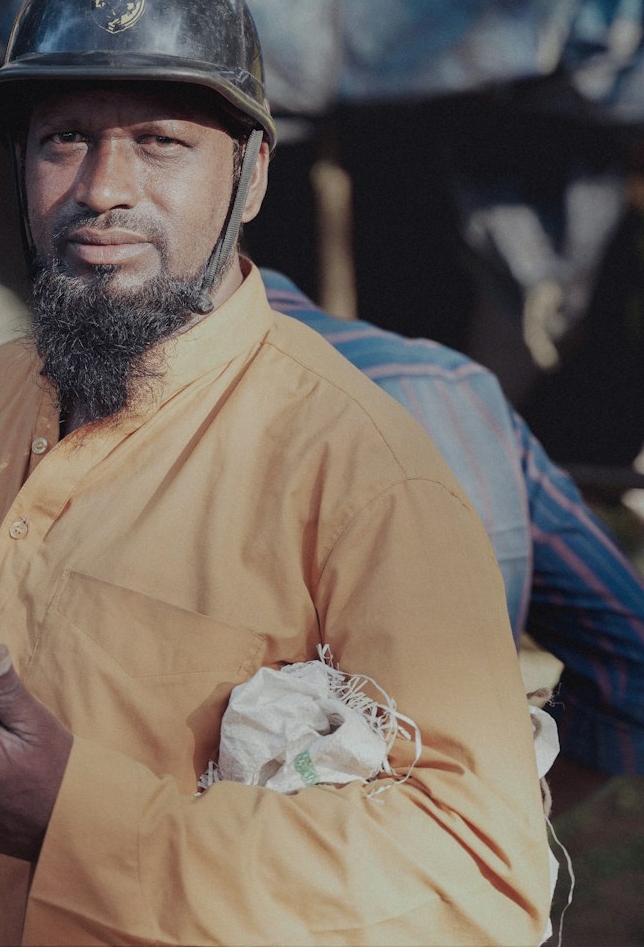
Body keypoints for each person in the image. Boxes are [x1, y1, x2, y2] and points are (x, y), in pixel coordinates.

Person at [0, 0, 551, 946]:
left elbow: (478, 873)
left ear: (250, 177)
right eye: (63, 139)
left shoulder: (359, 469)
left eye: (160, 142)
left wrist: (70, 819)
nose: (101, 189)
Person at [261, 269, 644, 814]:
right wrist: (511, 828)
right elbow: (631, 670)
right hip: (439, 834)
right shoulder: (450, 386)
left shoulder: (153, 394)